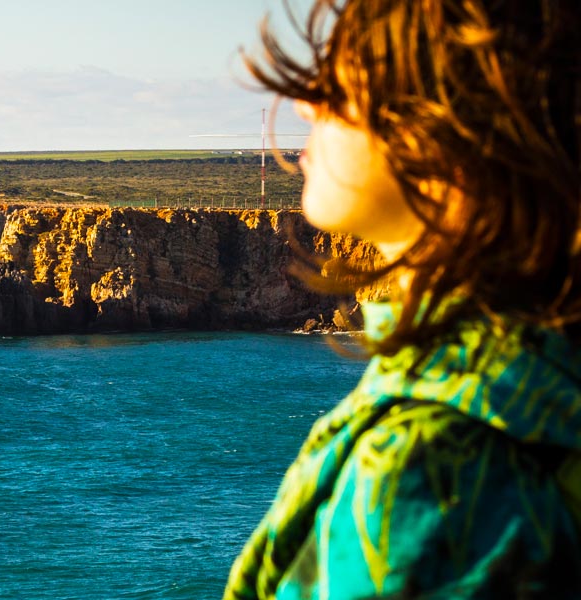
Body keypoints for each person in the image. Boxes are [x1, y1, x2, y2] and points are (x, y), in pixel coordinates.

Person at [222, 0, 581, 598]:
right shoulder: (547, 378)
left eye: (346, 76)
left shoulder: (430, 471)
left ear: (446, 126)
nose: (311, 102)